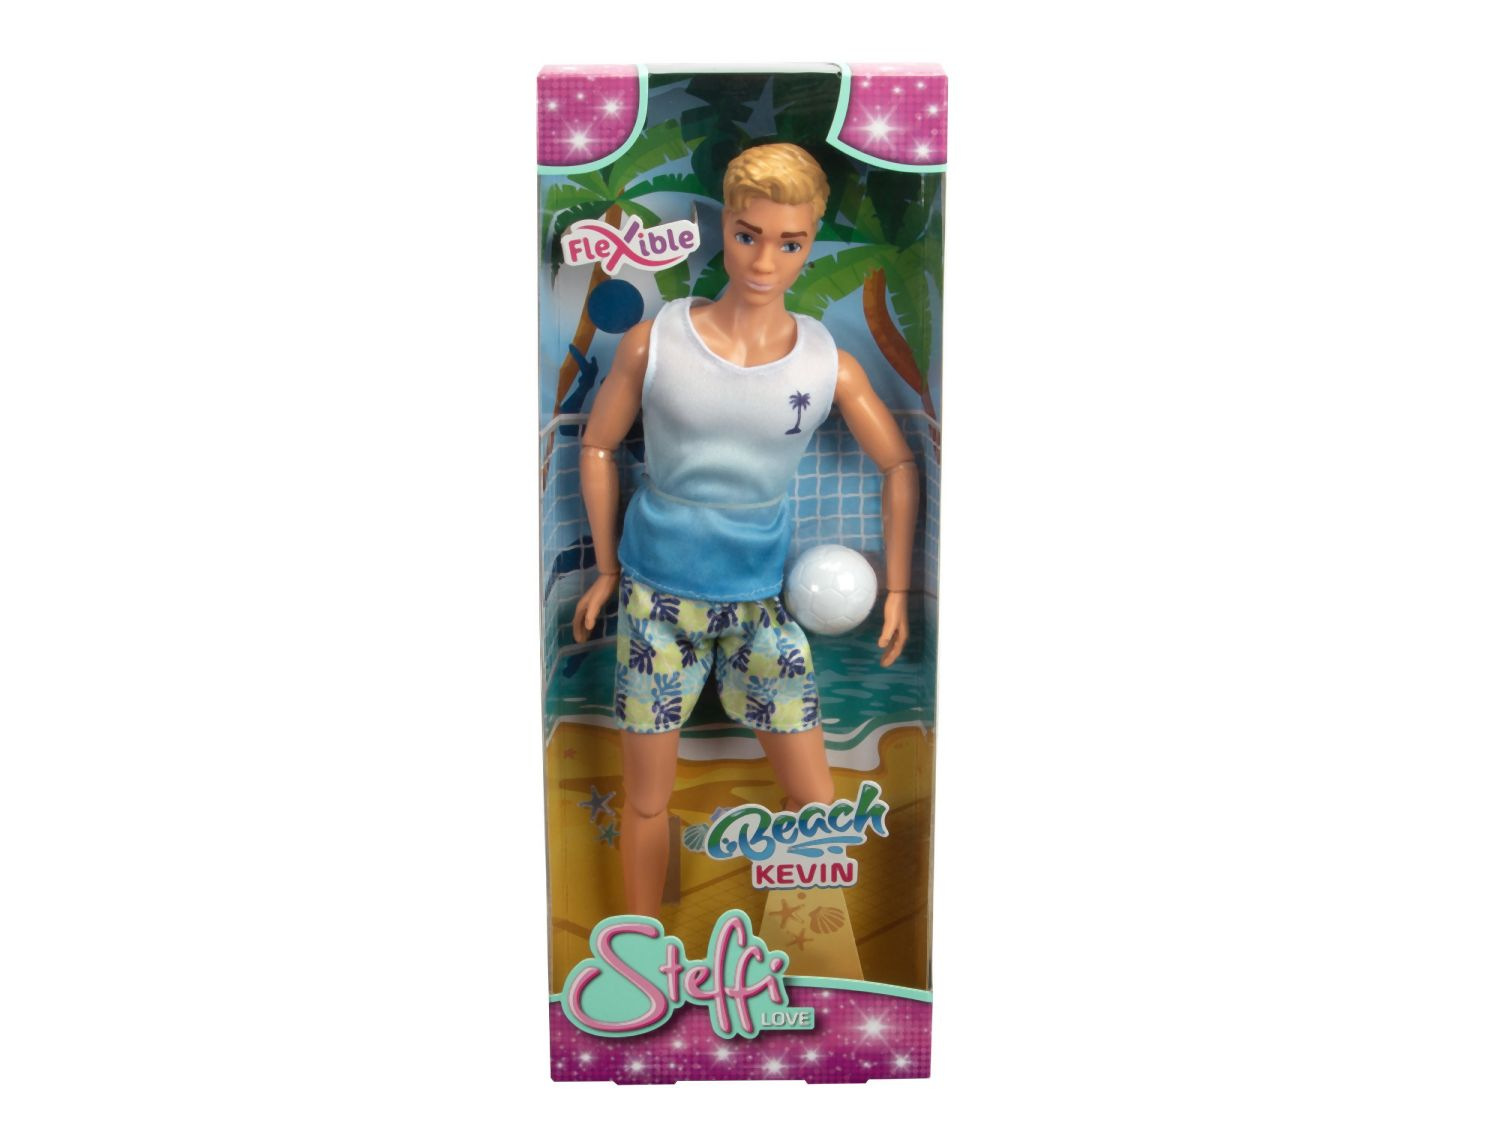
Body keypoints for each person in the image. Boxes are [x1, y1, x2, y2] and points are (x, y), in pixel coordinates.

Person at [571, 142, 919, 918]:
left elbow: (899, 464)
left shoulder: (827, 365)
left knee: (816, 797)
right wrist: (606, 570)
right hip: (655, 602)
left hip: (760, 603)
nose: (765, 261)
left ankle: (798, 942)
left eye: (790, 243)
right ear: (723, 226)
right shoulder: (655, 340)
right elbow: (596, 446)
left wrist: (896, 587)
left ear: (812, 242)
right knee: (647, 799)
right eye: (748, 235)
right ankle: (642, 947)